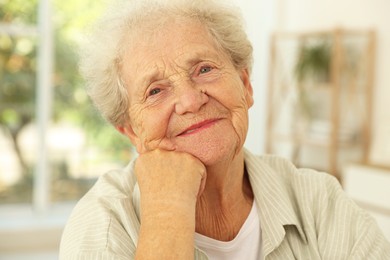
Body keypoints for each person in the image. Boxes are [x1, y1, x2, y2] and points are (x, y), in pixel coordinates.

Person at [59, 0, 390, 259]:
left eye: (204, 69)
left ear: (245, 85)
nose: (190, 100)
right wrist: (166, 210)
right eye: (155, 91)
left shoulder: (319, 201)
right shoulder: (101, 224)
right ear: (130, 131)